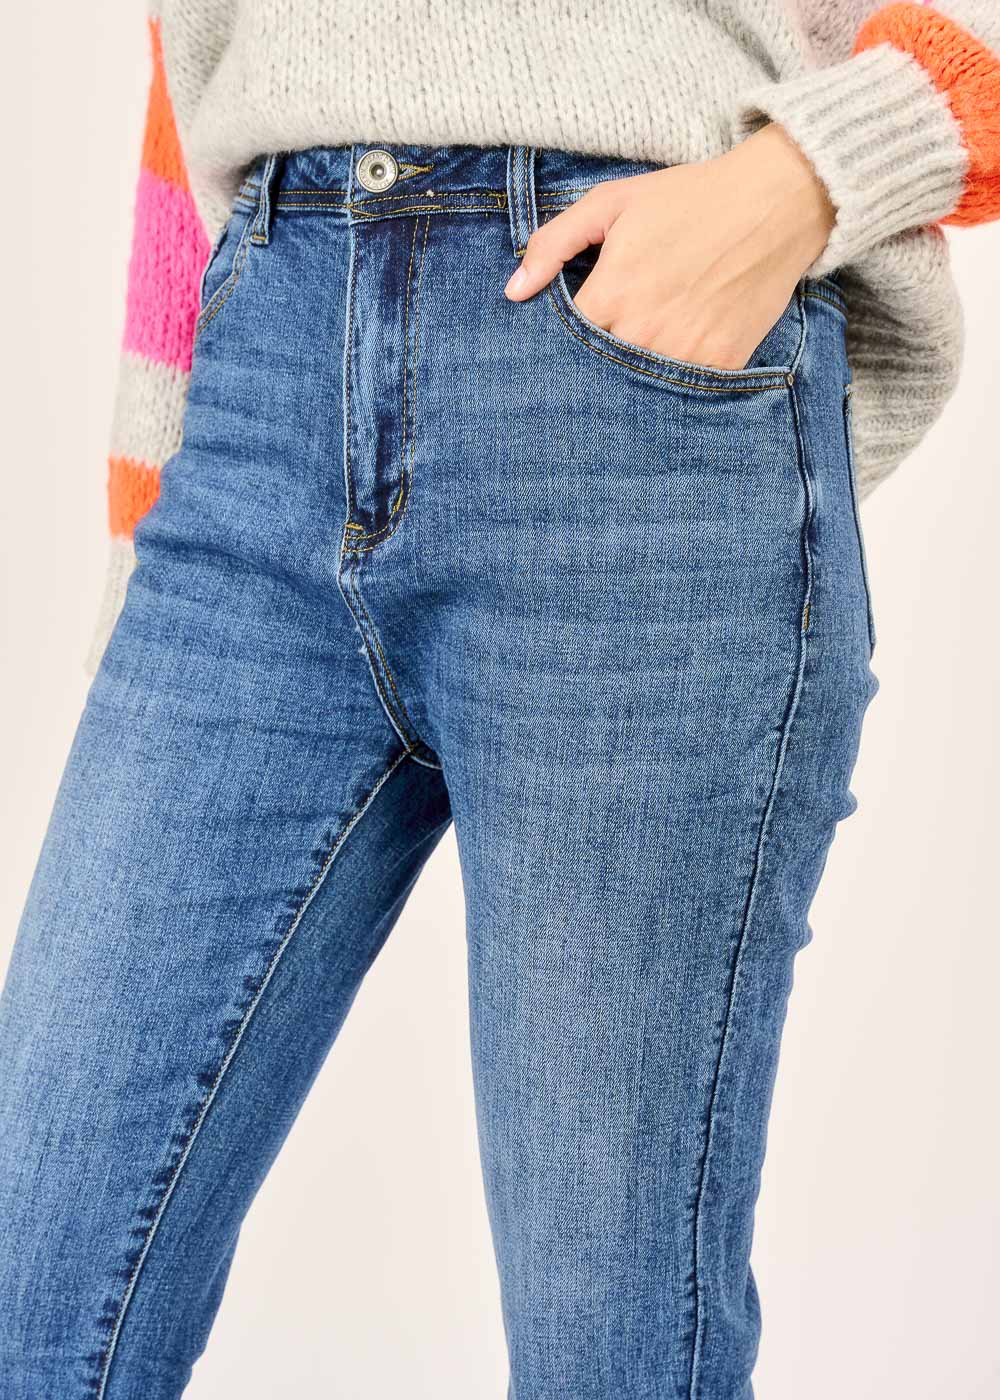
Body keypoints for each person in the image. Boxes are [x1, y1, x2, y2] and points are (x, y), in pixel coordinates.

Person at [1, 3, 998, 1397]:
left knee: (609, 1339)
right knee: (33, 1287)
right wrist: (147, 523)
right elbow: (190, 80)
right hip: (260, 380)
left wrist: (806, 176)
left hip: (627, 391)